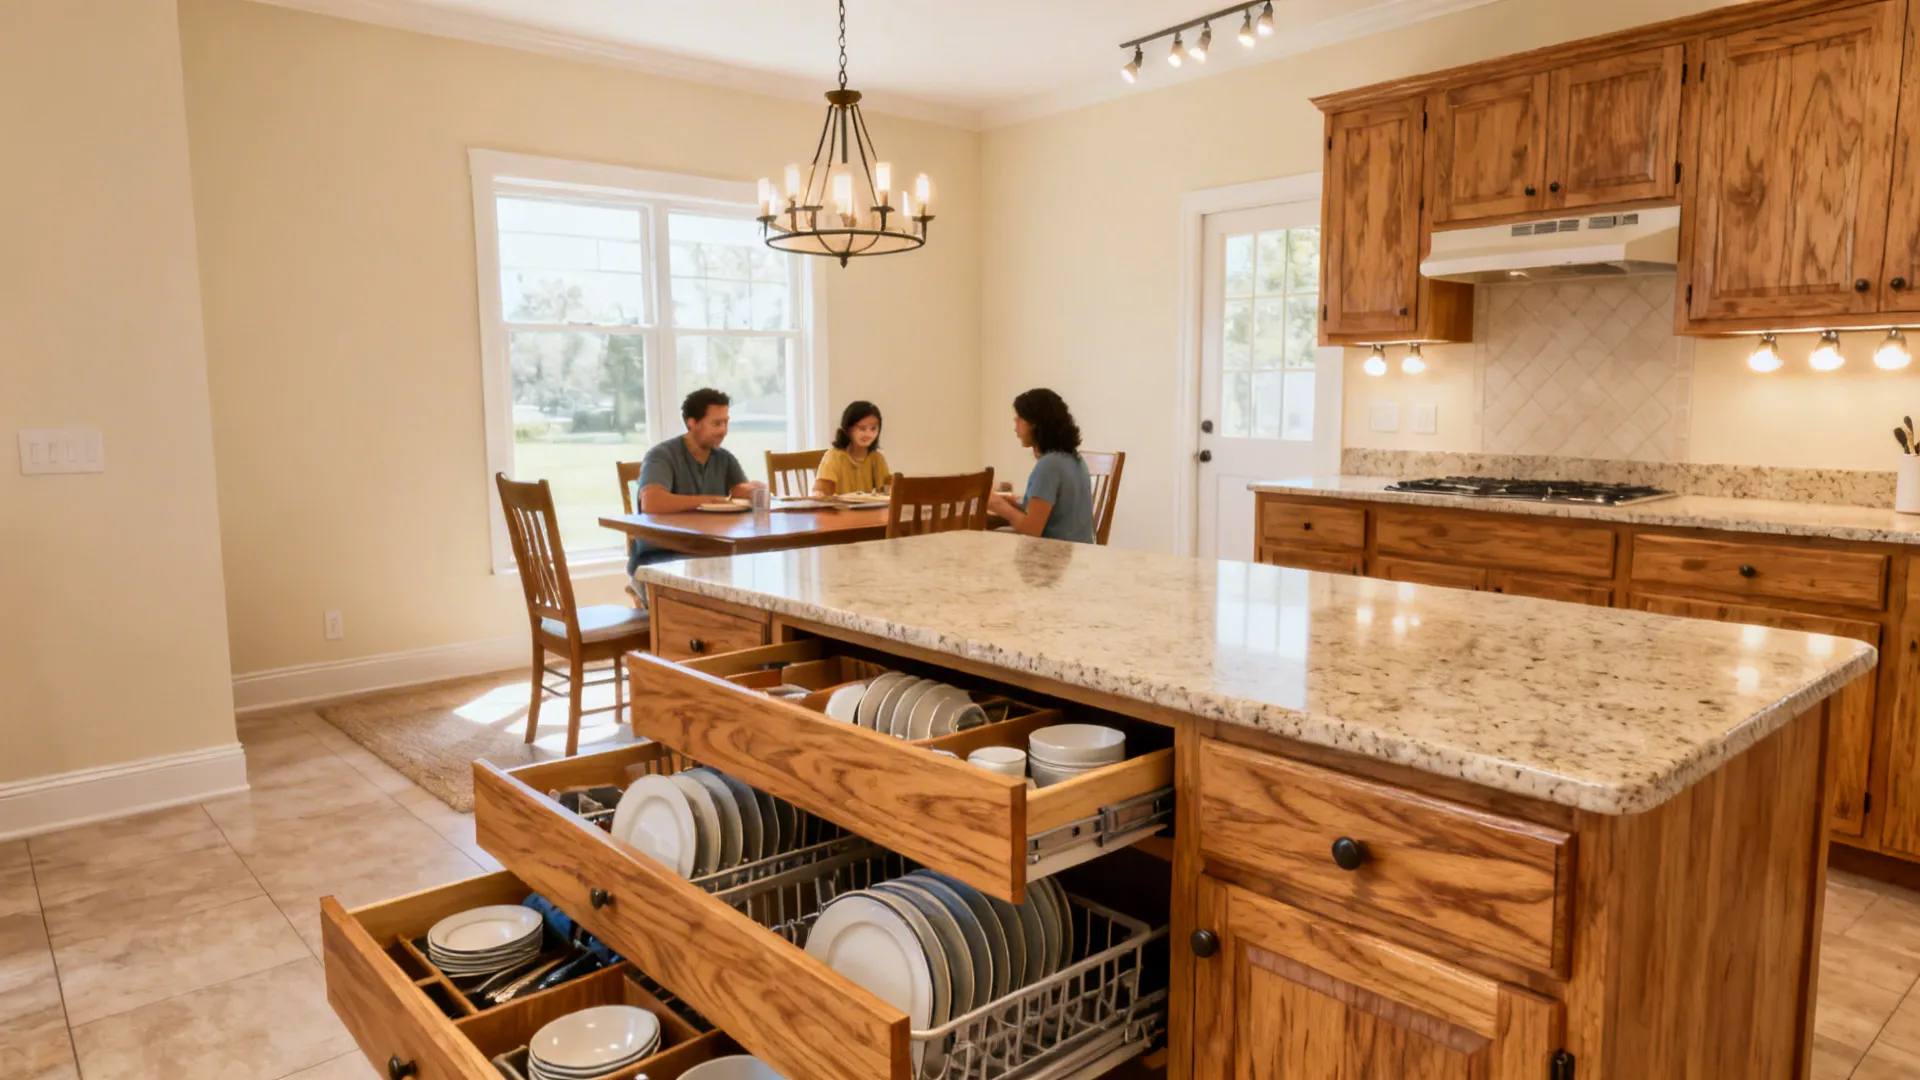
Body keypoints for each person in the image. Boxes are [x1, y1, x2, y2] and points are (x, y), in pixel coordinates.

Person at [628, 388, 763, 573]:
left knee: (755, 567)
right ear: (692, 423)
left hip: (706, 553)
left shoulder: (723, 458)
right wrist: (709, 501)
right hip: (660, 556)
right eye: (716, 424)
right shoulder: (661, 455)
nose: (724, 431)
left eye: (726, 423)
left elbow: (740, 490)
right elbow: (651, 502)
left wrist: (755, 490)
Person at [988, 388, 1096, 544]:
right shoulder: (1074, 459)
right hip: (1080, 552)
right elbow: (1051, 516)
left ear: (1035, 424)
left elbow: (1031, 530)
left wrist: (996, 505)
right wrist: (1012, 505)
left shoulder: (1049, 465)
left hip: (1056, 554)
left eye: (1019, 418)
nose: (1015, 425)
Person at [813, 400, 892, 496]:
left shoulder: (877, 457)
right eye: (862, 428)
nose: (868, 434)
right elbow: (821, 493)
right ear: (848, 429)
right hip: (838, 506)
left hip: (869, 506)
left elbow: (888, 491)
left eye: (873, 429)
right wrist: (819, 493)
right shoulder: (834, 456)